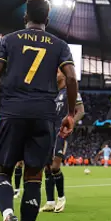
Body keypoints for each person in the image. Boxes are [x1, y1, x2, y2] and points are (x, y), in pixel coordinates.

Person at [0, 0, 78, 221]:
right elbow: (70, 77)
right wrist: (70, 114)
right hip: (43, 115)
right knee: (34, 178)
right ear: (47, 20)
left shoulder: (9, 40)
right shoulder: (59, 45)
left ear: (25, 17)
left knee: (2, 172)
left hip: (12, 112)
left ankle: (7, 213)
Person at [41, 69, 85, 213]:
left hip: (62, 133)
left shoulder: (71, 91)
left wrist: (70, 122)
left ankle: (61, 198)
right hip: (49, 132)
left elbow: (81, 111)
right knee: (47, 167)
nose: (55, 74)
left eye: (58, 72)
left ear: (64, 75)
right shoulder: (55, 94)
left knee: (54, 166)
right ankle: (50, 202)